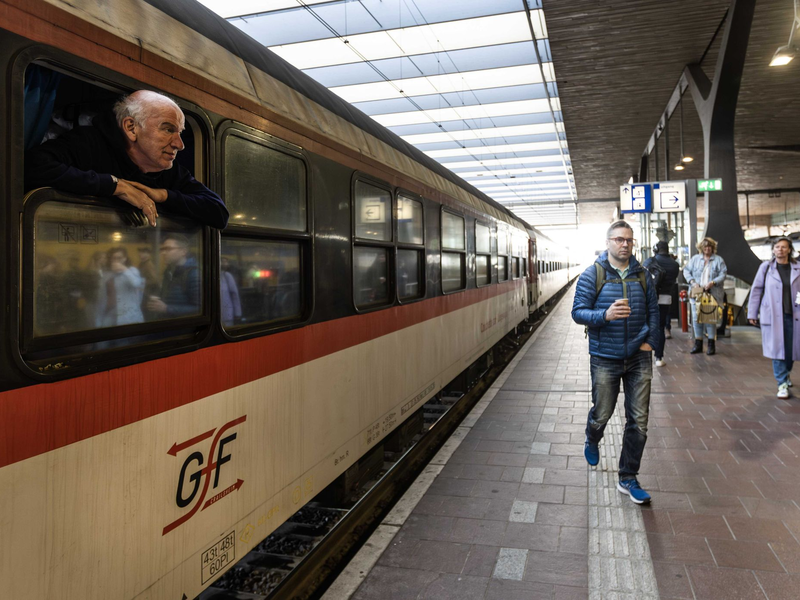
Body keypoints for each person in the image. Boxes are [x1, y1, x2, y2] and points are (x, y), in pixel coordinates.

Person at [25, 90, 228, 229]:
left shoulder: (168, 171)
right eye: (168, 130)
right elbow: (32, 166)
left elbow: (218, 212)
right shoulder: (89, 143)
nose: (179, 144)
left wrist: (163, 195)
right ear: (131, 128)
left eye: (180, 133)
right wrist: (116, 186)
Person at [572, 220, 659, 505]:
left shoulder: (643, 275)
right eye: (619, 239)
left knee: (639, 421)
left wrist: (651, 343)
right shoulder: (592, 274)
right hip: (604, 357)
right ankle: (592, 436)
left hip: (638, 356)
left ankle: (628, 477)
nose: (625, 244)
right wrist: (605, 315)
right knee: (602, 412)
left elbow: (654, 312)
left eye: (629, 240)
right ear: (608, 242)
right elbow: (578, 312)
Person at [748, 237, 800, 398]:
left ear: (789, 250)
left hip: (794, 315)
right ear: (773, 250)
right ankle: (781, 383)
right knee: (777, 350)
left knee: (791, 350)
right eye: (777, 247)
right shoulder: (766, 268)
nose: (780, 250)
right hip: (773, 316)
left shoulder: (797, 268)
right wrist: (752, 312)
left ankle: (786, 373)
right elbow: (756, 290)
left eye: (783, 247)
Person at [683, 237, 728, 355]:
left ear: (713, 248)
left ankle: (711, 344)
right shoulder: (695, 259)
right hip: (697, 293)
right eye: (705, 246)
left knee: (710, 318)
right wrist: (692, 281)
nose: (707, 249)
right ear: (701, 248)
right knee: (696, 318)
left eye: (709, 246)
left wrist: (713, 282)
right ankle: (698, 343)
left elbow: (723, 274)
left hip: (712, 293)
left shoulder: (718, 260)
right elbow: (686, 271)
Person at [643, 242, 680, 367]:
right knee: (660, 327)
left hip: (650, 297)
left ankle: (645, 354)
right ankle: (659, 357)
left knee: (646, 324)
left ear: (656, 249)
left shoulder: (650, 261)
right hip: (666, 298)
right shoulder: (674, 265)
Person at [147, 234, 200, 318]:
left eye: (168, 249)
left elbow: (200, 308)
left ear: (183, 251)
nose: (163, 253)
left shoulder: (194, 274)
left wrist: (166, 308)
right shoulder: (169, 271)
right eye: (163, 249)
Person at [96, 247, 145, 327]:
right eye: (114, 258)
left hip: (127, 314)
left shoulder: (132, 270)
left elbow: (136, 283)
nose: (116, 261)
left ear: (125, 258)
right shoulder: (107, 274)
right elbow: (101, 296)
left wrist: (124, 269)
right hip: (110, 312)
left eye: (119, 258)